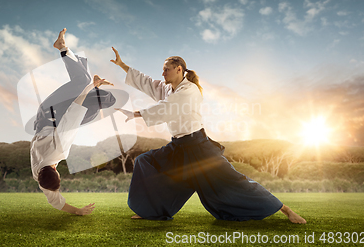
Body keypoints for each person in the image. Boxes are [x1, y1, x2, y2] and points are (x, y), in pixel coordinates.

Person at [111, 47, 306, 224]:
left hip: (198, 147)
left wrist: (135, 114)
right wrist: (122, 65)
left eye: (166, 69)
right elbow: (144, 82)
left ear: (179, 69)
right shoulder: (167, 89)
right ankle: (151, 211)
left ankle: (285, 210)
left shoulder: (190, 90)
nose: (163, 73)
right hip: (178, 147)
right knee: (146, 161)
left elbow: (168, 108)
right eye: (163, 70)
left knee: (233, 180)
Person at [30, 28, 114, 215]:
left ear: (55, 170)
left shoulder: (58, 150)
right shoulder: (39, 175)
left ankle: (62, 48)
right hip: (44, 118)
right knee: (102, 102)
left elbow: (73, 113)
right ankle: (91, 84)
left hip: (52, 113)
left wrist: (90, 87)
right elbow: (56, 202)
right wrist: (78, 211)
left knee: (83, 82)